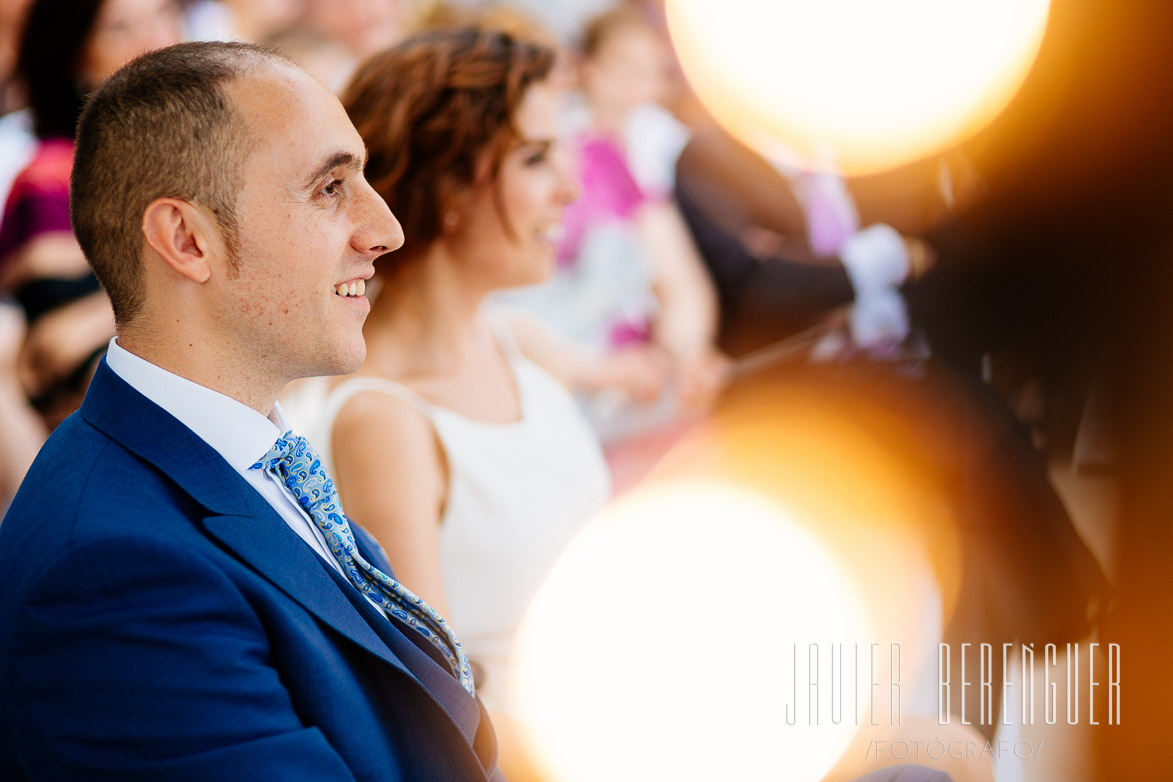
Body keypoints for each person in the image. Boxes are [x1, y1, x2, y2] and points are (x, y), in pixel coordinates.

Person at [0, 40, 504, 781]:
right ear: (186, 240)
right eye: (330, 188)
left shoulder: (243, 456)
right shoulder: (114, 574)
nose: (385, 230)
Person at [316, 26, 610, 728]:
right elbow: (438, 705)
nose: (570, 190)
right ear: (447, 181)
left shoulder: (523, 345)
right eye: (535, 160)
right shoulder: (382, 420)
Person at [0, 0, 183, 432]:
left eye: (163, 13)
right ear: (74, 55)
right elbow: (59, 351)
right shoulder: (52, 179)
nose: (155, 41)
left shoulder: (197, 150)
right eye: (119, 29)